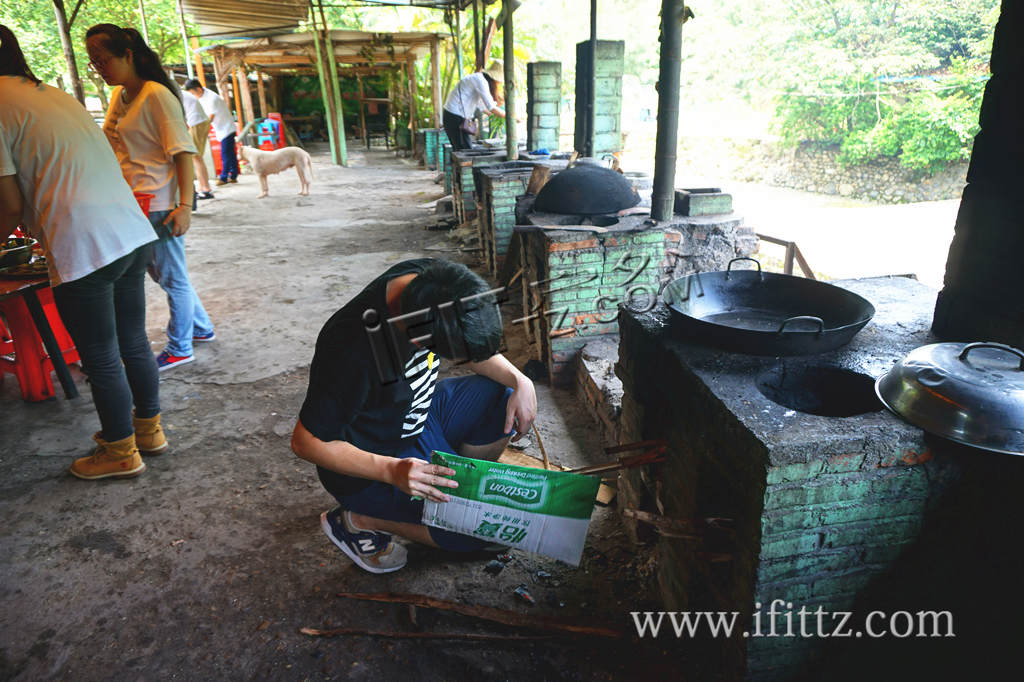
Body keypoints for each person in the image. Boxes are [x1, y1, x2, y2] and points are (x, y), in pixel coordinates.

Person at [291, 259, 537, 573]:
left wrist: (521, 381)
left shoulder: (433, 282)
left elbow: (472, 342)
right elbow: (303, 442)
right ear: (420, 340)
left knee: (503, 397)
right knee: (475, 532)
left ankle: (452, 491)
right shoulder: (351, 350)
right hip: (374, 459)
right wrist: (393, 472)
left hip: (416, 416)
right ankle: (357, 520)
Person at [0, 25, 165, 479]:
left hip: (85, 242)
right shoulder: (48, 94)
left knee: (101, 355)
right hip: (129, 231)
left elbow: (10, 205)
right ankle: (148, 431)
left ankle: (119, 451)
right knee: (132, 341)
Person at [86, 24, 215, 371]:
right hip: (136, 203)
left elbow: (182, 152)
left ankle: (180, 346)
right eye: (92, 62)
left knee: (172, 278)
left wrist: (185, 206)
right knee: (166, 275)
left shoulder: (156, 94)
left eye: (102, 59)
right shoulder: (120, 96)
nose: (98, 67)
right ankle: (201, 328)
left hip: (161, 202)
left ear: (128, 55)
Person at [442, 60, 509, 151]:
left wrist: (495, 115)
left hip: (454, 116)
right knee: (464, 152)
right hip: (454, 116)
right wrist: (511, 116)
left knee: (463, 150)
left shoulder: (479, 79)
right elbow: (491, 107)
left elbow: (482, 106)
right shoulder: (480, 80)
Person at [183, 79, 238, 186]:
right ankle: (233, 175)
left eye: (193, 93)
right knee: (230, 153)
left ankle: (223, 177)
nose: (193, 96)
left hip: (226, 128)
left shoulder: (211, 98)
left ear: (198, 89)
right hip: (222, 128)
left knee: (225, 154)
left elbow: (210, 118)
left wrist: (202, 130)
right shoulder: (202, 96)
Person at [182, 89, 214, 200]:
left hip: (195, 122)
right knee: (196, 157)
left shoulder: (172, 93)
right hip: (200, 121)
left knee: (195, 157)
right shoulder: (179, 92)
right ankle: (202, 187)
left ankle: (205, 189)